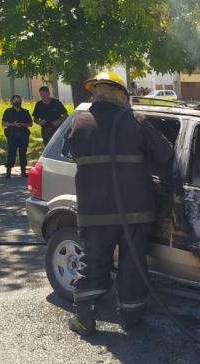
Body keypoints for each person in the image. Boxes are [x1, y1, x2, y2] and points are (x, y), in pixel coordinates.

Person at [64, 71, 174, 336]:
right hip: (135, 212)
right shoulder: (135, 121)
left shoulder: (80, 122)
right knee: (132, 266)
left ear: (96, 93)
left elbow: (71, 151)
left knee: (94, 264)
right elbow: (165, 154)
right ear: (123, 95)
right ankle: (131, 318)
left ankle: (84, 320)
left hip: (95, 212)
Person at [1, 95, 33, 178]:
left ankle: (23, 171)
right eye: (16, 101)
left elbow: (30, 124)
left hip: (23, 135)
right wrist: (12, 124)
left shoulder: (25, 112)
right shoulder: (8, 111)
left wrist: (23, 124)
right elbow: (3, 123)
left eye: (19, 100)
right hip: (12, 135)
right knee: (11, 153)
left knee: (23, 153)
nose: (17, 102)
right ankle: (8, 172)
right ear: (12, 102)